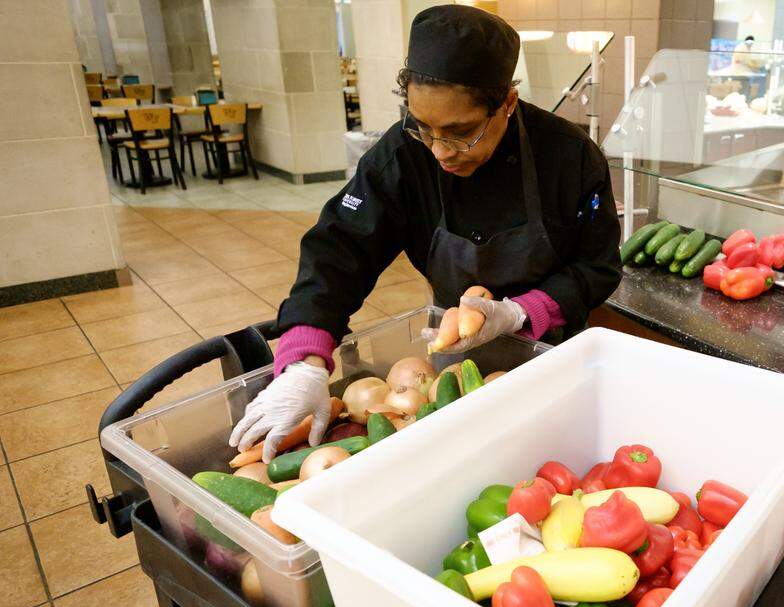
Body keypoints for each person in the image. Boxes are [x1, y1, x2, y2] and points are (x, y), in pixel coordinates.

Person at [228, 5, 621, 461]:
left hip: (552, 354)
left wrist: (518, 313)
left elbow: (597, 266)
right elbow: (341, 247)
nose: (439, 151)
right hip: (452, 352)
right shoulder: (401, 153)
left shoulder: (569, 157)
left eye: (460, 133)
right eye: (423, 127)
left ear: (507, 104)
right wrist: (305, 359)